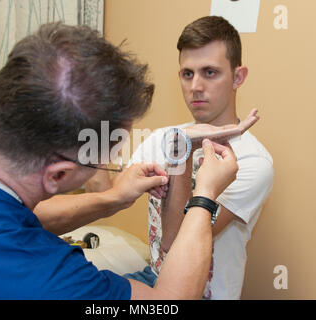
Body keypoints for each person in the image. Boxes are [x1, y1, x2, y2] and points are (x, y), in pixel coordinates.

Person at [0, 22, 238, 299]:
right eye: (101, 163)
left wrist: (111, 198)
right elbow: (168, 303)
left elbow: (7, 217)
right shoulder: (51, 280)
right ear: (58, 176)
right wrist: (205, 196)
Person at [85, 16, 275, 299]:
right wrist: (95, 115)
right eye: (187, 74)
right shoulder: (161, 137)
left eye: (210, 72)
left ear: (238, 77)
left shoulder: (252, 161)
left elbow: (174, 242)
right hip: (155, 281)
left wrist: (181, 151)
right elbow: (103, 192)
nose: (195, 86)